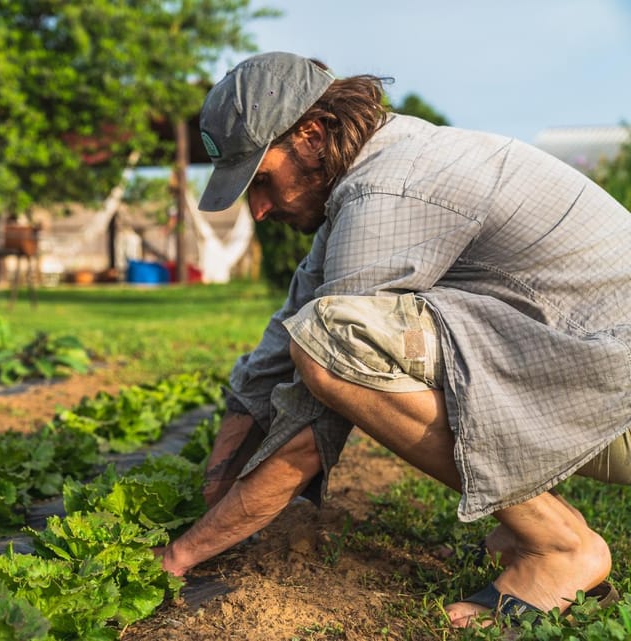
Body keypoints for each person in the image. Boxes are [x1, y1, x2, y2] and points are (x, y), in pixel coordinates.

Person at [158, 51, 631, 627]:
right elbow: (276, 346)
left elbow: (312, 415)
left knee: (333, 344)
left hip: (618, 402)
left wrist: (181, 555)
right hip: (594, 375)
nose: (259, 209)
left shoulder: (391, 189)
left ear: (311, 135)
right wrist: (216, 484)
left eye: (262, 181)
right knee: (321, 330)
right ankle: (548, 530)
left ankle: (560, 546)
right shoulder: (369, 180)